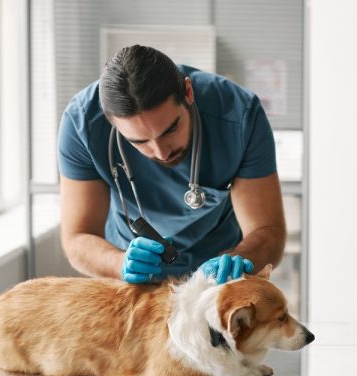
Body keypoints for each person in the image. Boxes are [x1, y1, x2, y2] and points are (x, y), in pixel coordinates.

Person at [58, 45, 286, 284]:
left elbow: (268, 230)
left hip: (218, 276)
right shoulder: (81, 123)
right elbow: (78, 237)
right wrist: (119, 263)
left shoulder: (239, 115)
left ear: (188, 92)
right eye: (139, 141)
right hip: (130, 273)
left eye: (170, 130)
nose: (161, 152)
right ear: (110, 121)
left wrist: (240, 259)